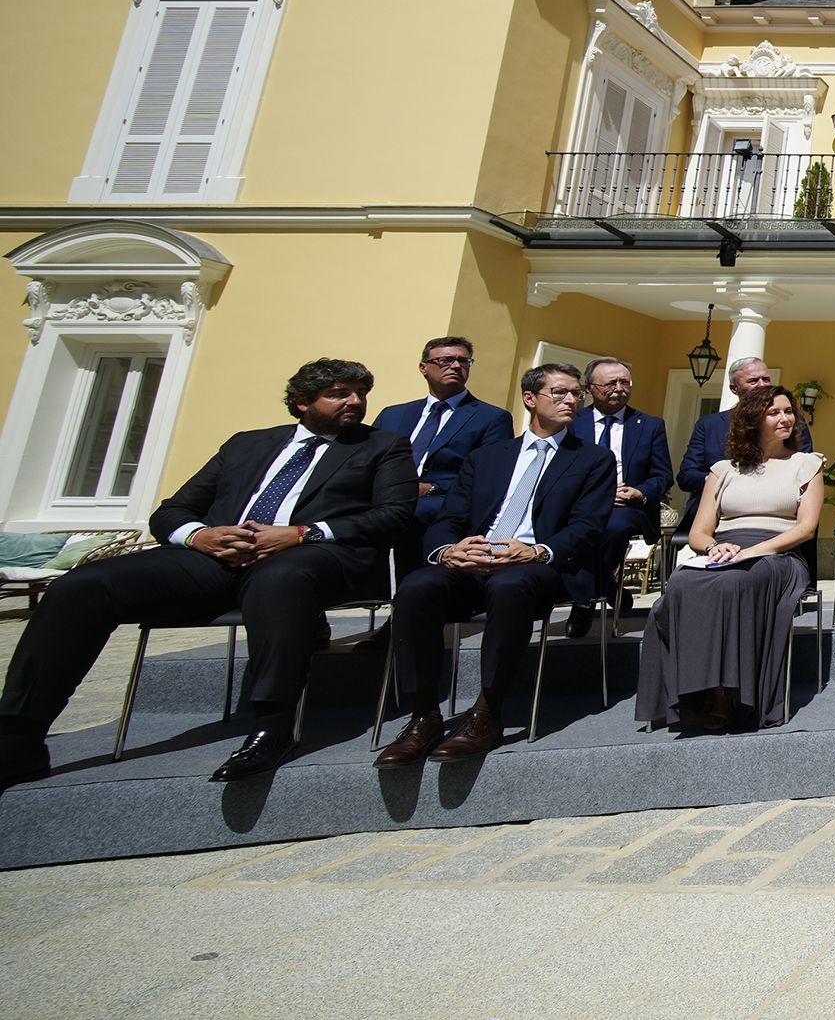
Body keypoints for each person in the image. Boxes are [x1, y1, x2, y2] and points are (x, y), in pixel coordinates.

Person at [0, 359, 416, 789]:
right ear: (301, 402)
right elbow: (171, 512)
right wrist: (201, 537)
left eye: (360, 393)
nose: (355, 401)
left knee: (280, 579)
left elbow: (394, 516)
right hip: (215, 560)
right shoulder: (246, 445)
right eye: (339, 393)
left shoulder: (383, 446)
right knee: (81, 586)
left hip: (318, 557)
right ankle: (18, 735)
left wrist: (300, 533)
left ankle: (272, 726)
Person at [375, 363, 614, 766]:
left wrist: (535, 551)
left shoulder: (592, 459)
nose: (572, 400)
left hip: (537, 564)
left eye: (577, 394)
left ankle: (487, 711)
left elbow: (587, 527)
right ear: (530, 399)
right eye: (560, 392)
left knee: (510, 587)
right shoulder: (488, 456)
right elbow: (449, 518)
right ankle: (423, 716)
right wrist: (448, 550)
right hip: (472, 559)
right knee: (416, 587)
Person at [638, 386, 823, 732]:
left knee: (737, 581)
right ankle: (693, 691)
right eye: (774, 413)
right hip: (724, 549)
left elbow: (805, 529)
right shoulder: (723, 470)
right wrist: (713, 549)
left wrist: (754, 551)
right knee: (681, 583)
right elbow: (699, 532)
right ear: (753, 420)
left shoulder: (806, 464)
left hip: (778, 552)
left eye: (788, 412)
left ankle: (726, 694)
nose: (786, 418)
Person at [566, 357, 672, 636]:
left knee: (613, 527)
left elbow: (663, 476)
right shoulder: (572, 423)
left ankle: (583, 599)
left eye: (625, 382)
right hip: (578, 504)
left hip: (626, 507)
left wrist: (640, 492)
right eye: (611, 383)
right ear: (590, 389)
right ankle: (607, 587)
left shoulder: (649, 425)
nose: (619, 388)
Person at [371, 335, 515, 520]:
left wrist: (431, 488)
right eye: (445, 360)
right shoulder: (393, 414)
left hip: (435, 507)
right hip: (378, 499)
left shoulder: (492, 418)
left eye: (463, 361)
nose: (456, 366)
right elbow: (366, 460)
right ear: (423, 368)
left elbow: (489, 476)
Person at [675, 356, 811, 525]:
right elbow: (687, 476)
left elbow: (806, 473)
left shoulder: (791, 423)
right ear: (735, 388)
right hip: (715, 513)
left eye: (766, 379)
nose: (762, 385)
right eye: (753, 380)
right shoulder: (709, 425)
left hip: (775, 512)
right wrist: (721, 482)